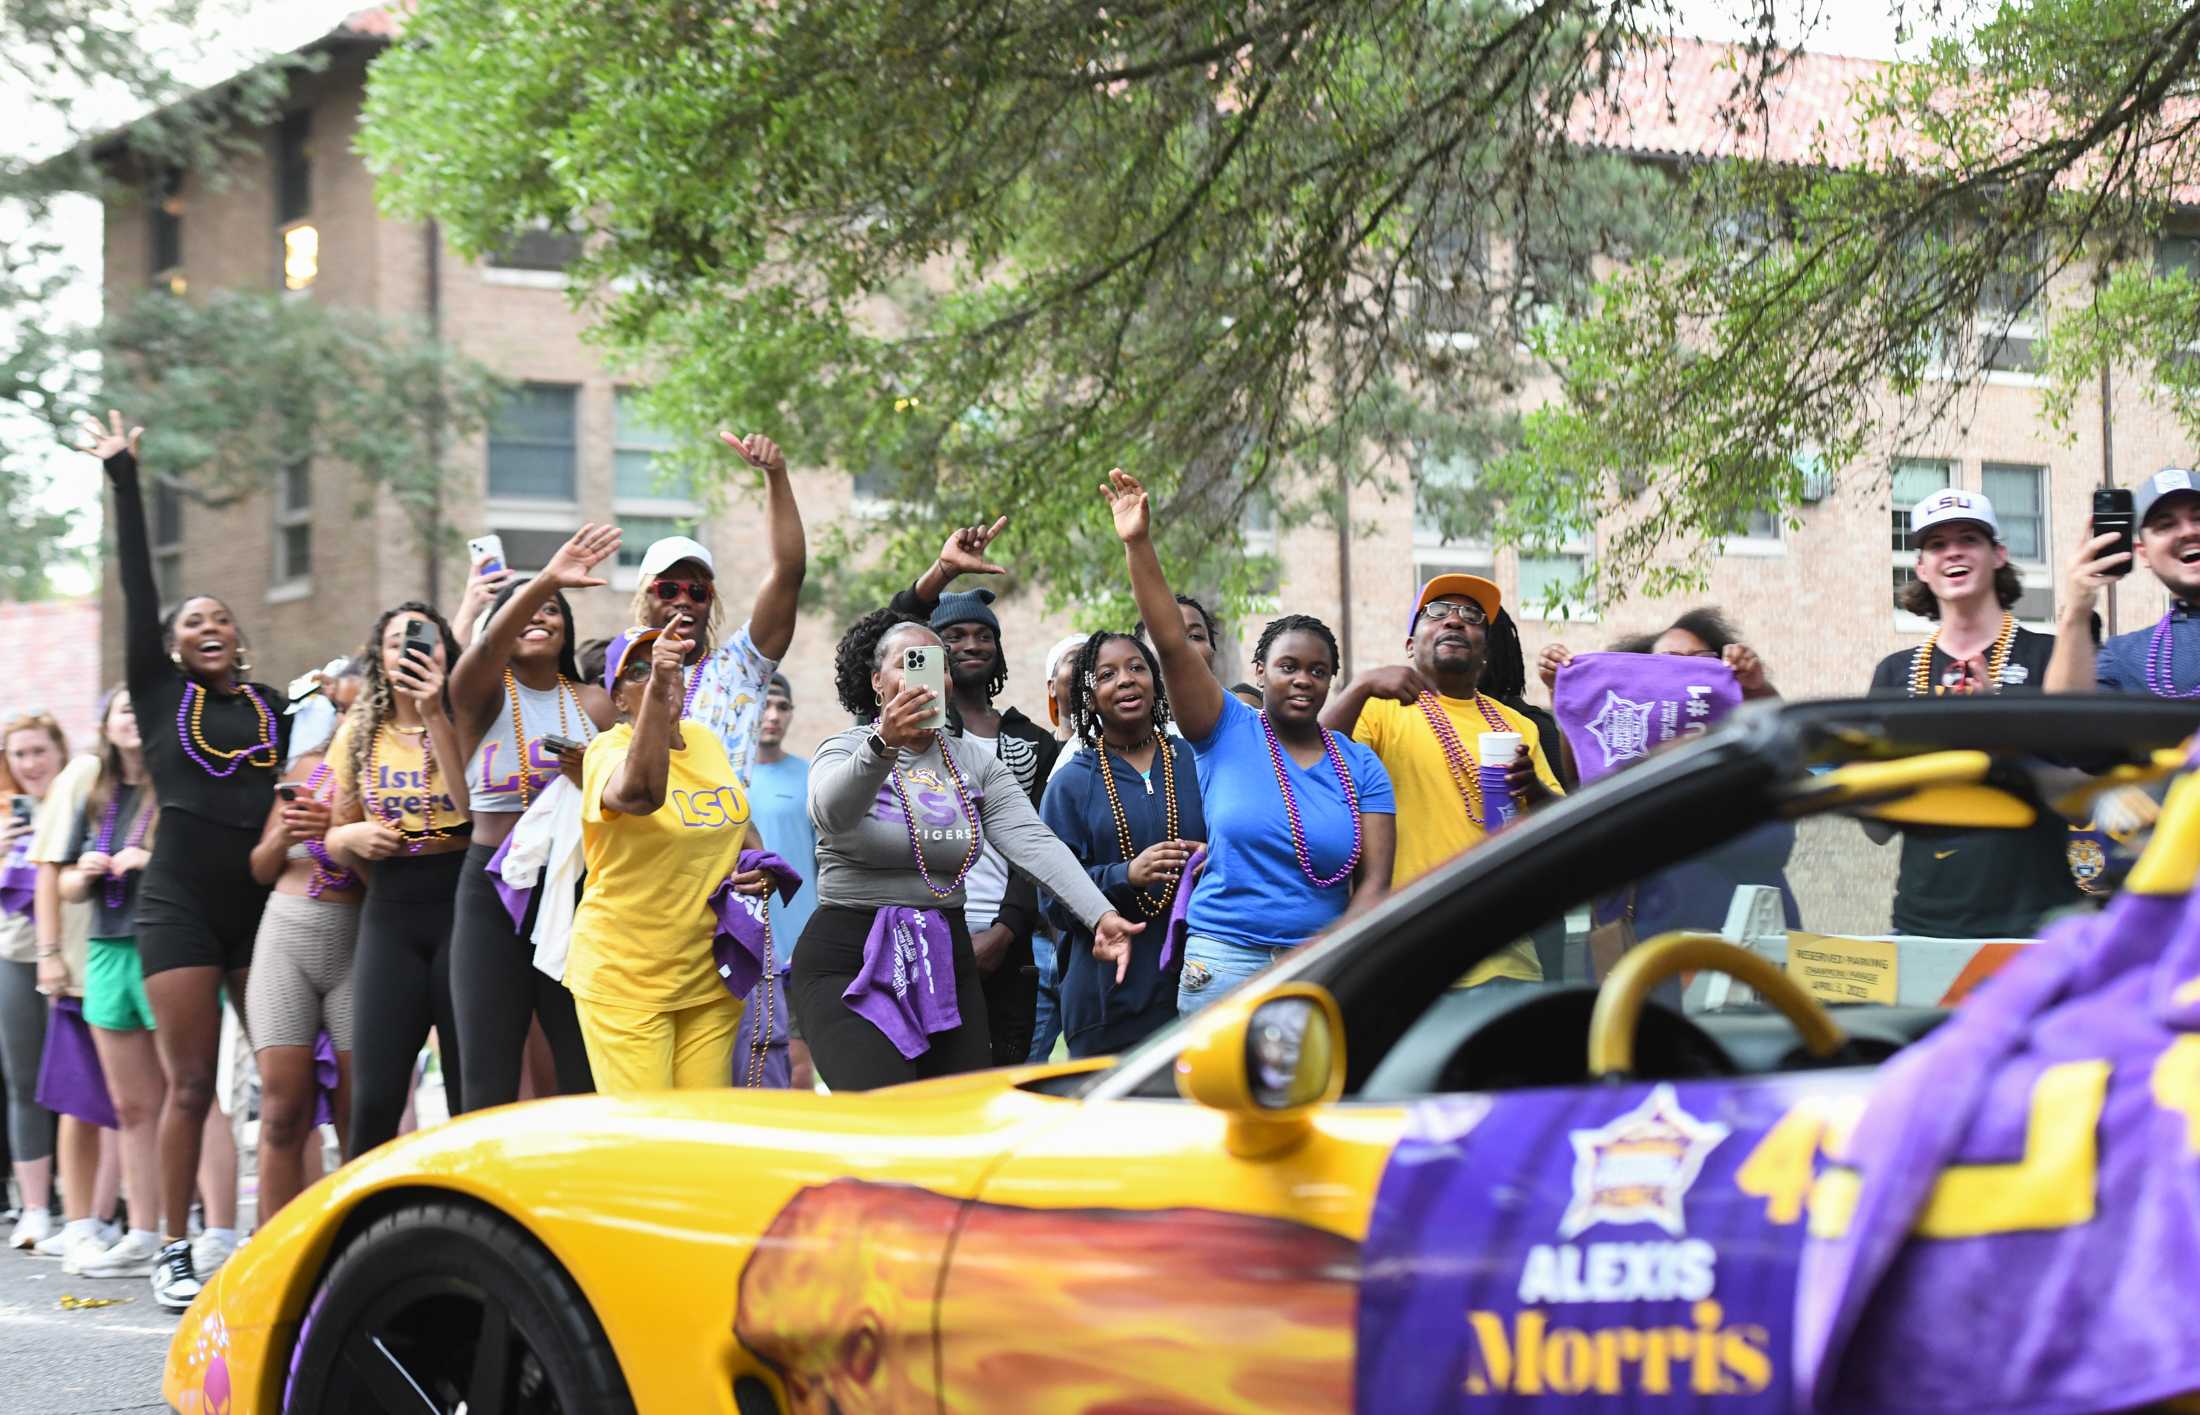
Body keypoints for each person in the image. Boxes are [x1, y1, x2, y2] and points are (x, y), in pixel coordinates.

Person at [83, 410, 289, 1311]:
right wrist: (125, 478)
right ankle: (172, 1244)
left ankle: (272, 1236)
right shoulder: (160, 690)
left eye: (221, 619)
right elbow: (139, 583)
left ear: (238, 640)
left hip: (264, 906)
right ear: (173, 645)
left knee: (283, 1083)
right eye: (192, 619)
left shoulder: (280, 708)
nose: (207, 624)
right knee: (194, 1080)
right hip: (177, 905)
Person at [793, 609, 1144, 1090]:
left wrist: (1100, 916)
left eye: (937, 665)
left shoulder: (972, 762)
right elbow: (830, 814)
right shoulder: (844, 749)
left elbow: (1034, 841)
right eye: (909, 663)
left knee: (955, 1116)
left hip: (943, 955)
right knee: (883, 1114)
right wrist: (883, 744)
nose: (926, 676)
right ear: (878, 682)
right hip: (850, 955)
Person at [1101, 470, 1396, 1015]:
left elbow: (1375, 884)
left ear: (1332, 678)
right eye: (1288, 666)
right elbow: (1169, 639)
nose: (1303, 679)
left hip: (1322, 966)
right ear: (1260, 672)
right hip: (1224, 963)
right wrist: (1138, 543)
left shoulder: (1362, 766)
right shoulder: (1225, 728)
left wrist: (1317, 955)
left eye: (1318, 670)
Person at [444, 528, 622, 1114]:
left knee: (581, 1068)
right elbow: (484, 647)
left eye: (552, 609)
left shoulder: (594, 704)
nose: (540, 616)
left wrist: (587, 778)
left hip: (574, 892)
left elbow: (624, 802)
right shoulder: (480, 692)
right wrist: (544, 578)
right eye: (526, 610)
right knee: (487, 1075)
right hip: (490, 892)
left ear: (567, 628)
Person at [1321, 576, 1562, 988]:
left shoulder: (1519, 726)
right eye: (1436, 612)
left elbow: (1559, 828)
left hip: (1506, 959)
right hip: (1408, 951)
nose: (1454, 620)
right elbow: (1309, 763)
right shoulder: (1379, 710)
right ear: (1410, 646)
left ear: (1484, 649)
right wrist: (1361, 685)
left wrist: (1534, 790)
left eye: (1471, 616)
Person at [886, 530, 1062, 1066]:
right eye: (953, 637)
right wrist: (940, 572)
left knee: (1001, 1082)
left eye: (982, 636)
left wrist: (1008, 931)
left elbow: (1039, 842)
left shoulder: (1031, 740)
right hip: (919, 930)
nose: (970, 646)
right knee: (924, 1084)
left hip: (1007, 947)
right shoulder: (911, 731)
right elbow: (891, 628)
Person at [1867, 489, 2077, 937]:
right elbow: (1876, 830)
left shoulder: (2052, 656)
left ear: (1998, 555)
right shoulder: (1894, 672)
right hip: (1922, 921)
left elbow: (2083, 798)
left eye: (1969, 539)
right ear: (1921, 568)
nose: (1953, 552)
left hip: (2036, 922)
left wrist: (2003, 731)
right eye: (1937, 545)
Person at [571, 621, 766, 1093]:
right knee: (646, 1139)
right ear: (617, 698)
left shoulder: (704, 741)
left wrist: (760, 867)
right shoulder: (606, 750)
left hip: (709, 976)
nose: (660, 677)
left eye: (668, 667)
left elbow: (738, 823)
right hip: (627, 981)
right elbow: (640, 795)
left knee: (703, 1134)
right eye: (638, 671)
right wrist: (658, 689)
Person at [324, 604, 472, 1155]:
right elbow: (333, 836)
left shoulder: (466, 717)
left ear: (446, 653)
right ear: (378, 659)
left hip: (461, 898)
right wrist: (353, 837)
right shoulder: (359, 729)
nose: (408, 651)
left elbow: (475, 812)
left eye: (424, 640)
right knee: (376, 1094)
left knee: (468, 1089)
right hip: (389, 907)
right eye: (394, 643)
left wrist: (435, 712)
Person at [1039, 632, 1208, 1056]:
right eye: (1107, 674)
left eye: (1137, 668)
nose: (1127, 680)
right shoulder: (1071, 783)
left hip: (1200, 985)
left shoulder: (1198, 761)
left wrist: (1214, 856)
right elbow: (1051, 899)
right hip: (1108, 997)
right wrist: (1124, 876)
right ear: (1089, 697)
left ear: (1156, 682)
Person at [53, 690, 169, 1278]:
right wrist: (85, 871)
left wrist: (149, 860)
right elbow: (67, 884)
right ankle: (143, 1233)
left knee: (185, 1094)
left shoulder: (172, 783)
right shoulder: (99, 792)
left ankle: (196, 1234)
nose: (131, 717)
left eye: (137, 707)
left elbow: (199, 862)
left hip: (163, 947)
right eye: (120, 709)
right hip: (104, 947)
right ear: (104, 724)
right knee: (130, 1104)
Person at [624, 431, 806, 782]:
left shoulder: (741, 668)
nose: (682, 600)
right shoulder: (619, 673)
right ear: (643, 598)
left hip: (719, 835)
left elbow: (788, 572)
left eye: (697, 591)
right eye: (667, 589)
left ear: (711, 602)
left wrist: (776, 474)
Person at [243, 697, 360, 1218]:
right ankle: (268, 1256)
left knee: (358, 1112)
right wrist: (287, 834)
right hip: (286, 934)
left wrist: (340, 836)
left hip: (358, 940)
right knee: (282, 1109)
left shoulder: (393, 775)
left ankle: (358, 1246)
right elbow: (261, 868)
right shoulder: (306, 771)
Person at [27, 726, 123, 1263]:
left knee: (136, 1103)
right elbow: (47, 868)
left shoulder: (168, 767)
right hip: (87, 960)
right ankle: (82, 1221)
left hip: (150, 957)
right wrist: (49, 953)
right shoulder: (85, 773)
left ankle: (113, 1219)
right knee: (79, 1099)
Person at [2046, 468, 2200, 696]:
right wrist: (2076, 612)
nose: (2188, 531)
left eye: (2199, 518)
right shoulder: (2125, 656)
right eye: (2166, 525)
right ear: (2143, 553)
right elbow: (2063, 721)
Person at [2, 710, 65, 1251]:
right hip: (16, 953)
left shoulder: (84, 804)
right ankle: (36, 1208)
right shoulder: (5, 815)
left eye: (39, 751)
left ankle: (97, 1207)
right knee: (24, 1080)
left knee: (81, 1082)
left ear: (59, 752)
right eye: (19, 754)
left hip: (77, 953)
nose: (30, 764)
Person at [736, 674, 818, 1089]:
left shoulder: (810, 776)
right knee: (746, 1061)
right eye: (764, 705)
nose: (772, 716)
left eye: (782, 706)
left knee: (797, 1062)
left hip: (799, 946)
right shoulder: (723, 776)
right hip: (740, 941)